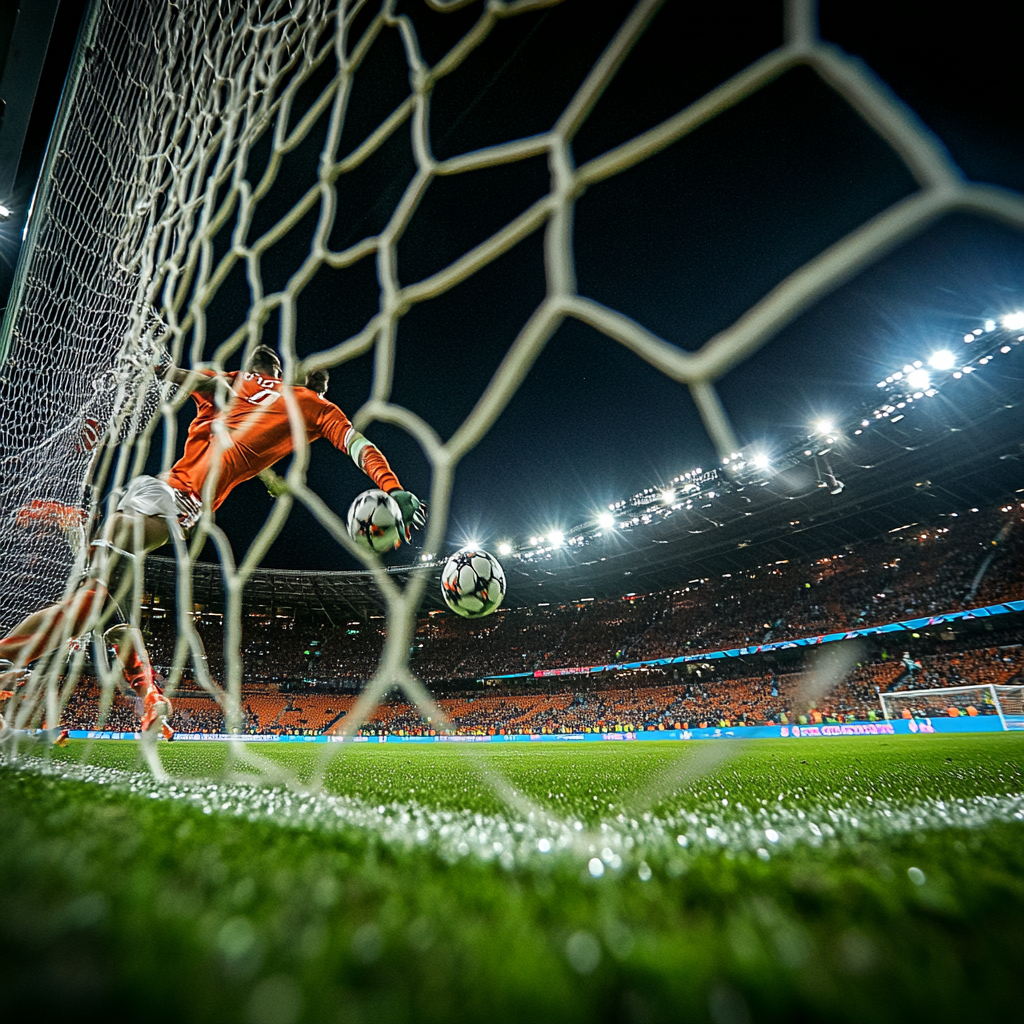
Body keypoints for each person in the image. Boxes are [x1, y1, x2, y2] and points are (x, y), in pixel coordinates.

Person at [0, 346, 424, 736]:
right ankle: (8, 660)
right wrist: (393, 486)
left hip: (150, 487)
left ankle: (151, 701)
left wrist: (163, 369)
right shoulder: (312, 406)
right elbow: (358, 445)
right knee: (95, 604)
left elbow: (208, 389)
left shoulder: (232, 379)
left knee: (112, 611)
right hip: (176, 503)